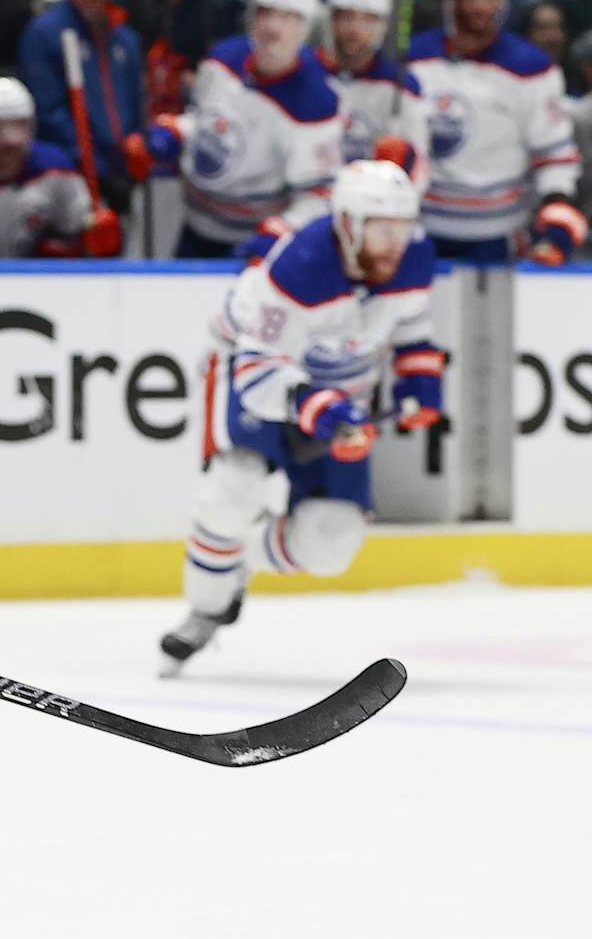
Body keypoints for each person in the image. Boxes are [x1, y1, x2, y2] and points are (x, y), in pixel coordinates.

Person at [159, 161, 442, 670]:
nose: (395, 243)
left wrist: (420, 381)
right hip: (252, 376)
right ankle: (205, 610)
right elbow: (258, 374)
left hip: (339, 401)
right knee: (232, 492)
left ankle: (232, 560)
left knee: (332, 542)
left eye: (402, 228)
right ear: (348, 225)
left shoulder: (414, 257)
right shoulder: (298, 269)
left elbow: (410, 325)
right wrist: (325, 411)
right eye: (382, 229)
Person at [128, 0, 342, 258]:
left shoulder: (317, 104)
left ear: (306, 27)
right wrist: (175, 130)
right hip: (190, 220)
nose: (272, 27)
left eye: (287, 18)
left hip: (253, 239)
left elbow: (319, 197)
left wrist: (282, 230)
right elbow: (206, 121)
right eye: (265, 13)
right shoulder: (223, 58)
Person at [409, 0, 585, 263]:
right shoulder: (417, 60)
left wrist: (556, 207)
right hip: (426, 226)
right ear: (449, 0)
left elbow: (554, 154)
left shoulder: (531, 68)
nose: (480, 6)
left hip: (502, 233)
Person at [18, 0, 144, 212]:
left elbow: (135, 103)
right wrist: (94, 166)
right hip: (67, 175)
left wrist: (134, 154)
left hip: (120, 177)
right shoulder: (46, 32)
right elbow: (49, 112)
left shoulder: (124, 37)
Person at [0, 77, 121, 256]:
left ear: (32, 127)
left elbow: (83, 227)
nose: (8, 140)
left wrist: (96, 236)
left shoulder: (54, 168)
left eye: (18, 126)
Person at [319, 0, 428, 188]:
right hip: (314, 197)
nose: (355, 29)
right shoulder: (309, 72)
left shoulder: (401, 85)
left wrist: (402, 170)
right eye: (347, 17)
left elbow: (420, 170)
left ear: (382, 26)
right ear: (331, 20)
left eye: (367, 20)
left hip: (372, 201)